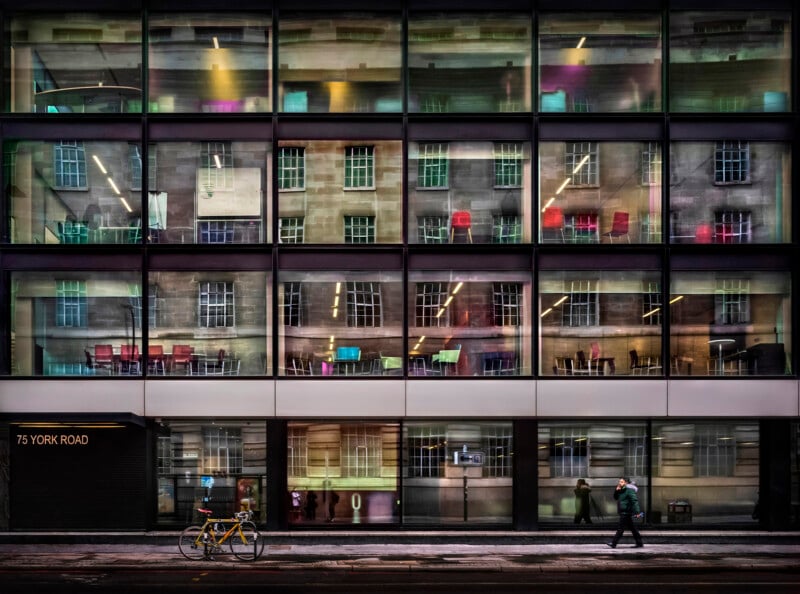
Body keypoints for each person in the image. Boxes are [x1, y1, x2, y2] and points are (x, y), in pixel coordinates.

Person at [607, 477, 643, 549]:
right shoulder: (622, 490)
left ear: (626, 483)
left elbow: (634, 501)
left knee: (620, 529)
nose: (620, 483)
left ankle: (614, 543)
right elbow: (616, 497)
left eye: (622, 482)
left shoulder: (629, 490)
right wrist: (617, 491)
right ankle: (639, 543)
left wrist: (637, 512)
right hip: (624, 512)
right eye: (619, 482)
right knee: (633, 528)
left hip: (626, 512)